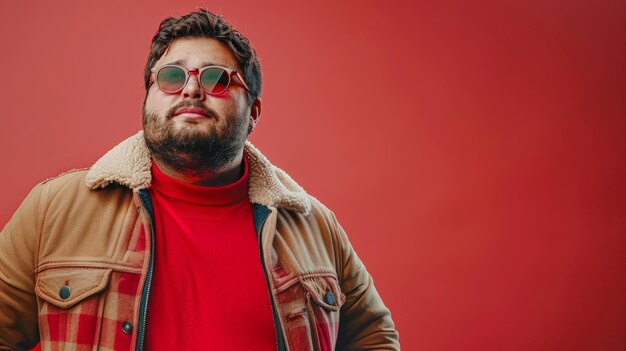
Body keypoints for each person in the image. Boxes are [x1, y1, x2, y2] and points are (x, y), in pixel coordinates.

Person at [0, 9, 399, 351]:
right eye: (171, 77)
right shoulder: (53, 209)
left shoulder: (315, 227)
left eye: (216, 79)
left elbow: (374, 338)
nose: (191, 88)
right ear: (147, 97)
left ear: (253, 111)